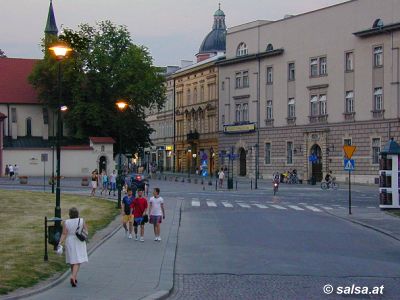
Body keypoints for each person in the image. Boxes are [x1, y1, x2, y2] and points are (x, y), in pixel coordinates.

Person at [58, 207, 88, 287]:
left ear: (69, 214)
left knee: (72, 259)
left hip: (69, 241)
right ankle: (73, 277)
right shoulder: (81, 220)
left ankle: (74, 276)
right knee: (77, 261)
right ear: (77, 214)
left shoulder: (66, 222)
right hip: (79, 241)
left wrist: (60, 242)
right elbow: (86, 231)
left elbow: (64, 233)